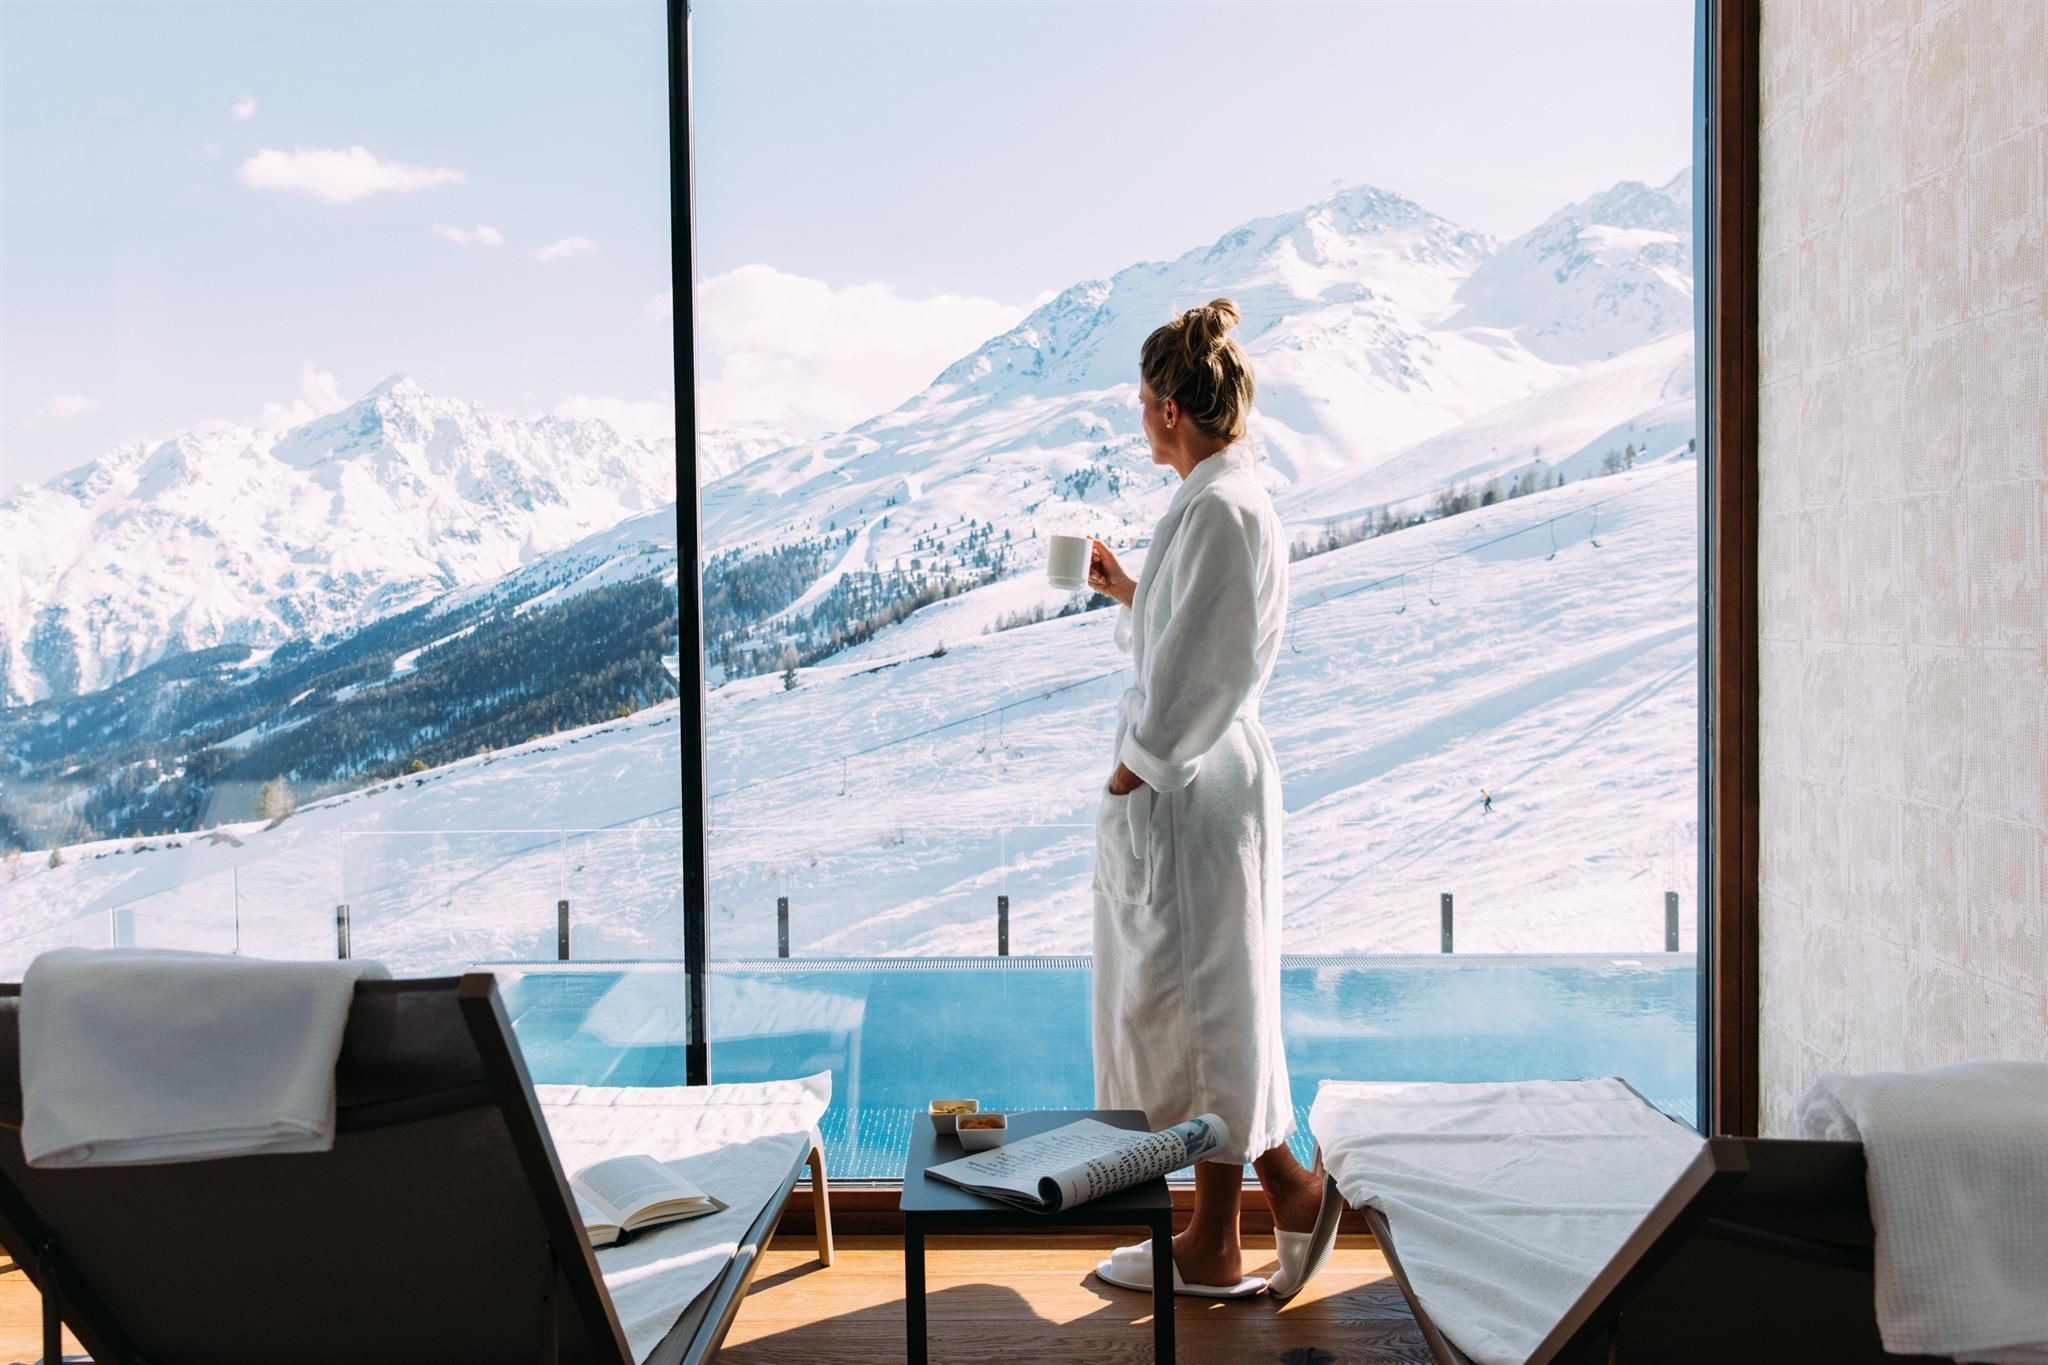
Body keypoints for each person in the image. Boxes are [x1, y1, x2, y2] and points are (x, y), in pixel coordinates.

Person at [1084, 298, 1337, 1303]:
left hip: (1187, 783)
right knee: (1215, 1004)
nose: (1139, 420)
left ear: (1169, 412)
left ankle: (1219, 1237)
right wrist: (1130, 594)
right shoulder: (1217, 499)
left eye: (1142, 405)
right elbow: (1190, 629)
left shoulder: (1223, 509)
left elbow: (1201, 666)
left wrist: (1129, 772)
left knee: (1193, 1010)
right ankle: (1274, 1205)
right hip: (1198, 779)